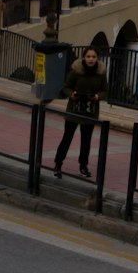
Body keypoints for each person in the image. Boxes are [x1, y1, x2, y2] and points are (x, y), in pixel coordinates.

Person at [53, 46, 105, 180]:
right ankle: (58, 164)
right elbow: (66, 87)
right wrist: (72, 94)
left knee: (86, 141)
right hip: (74, 110)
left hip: (90, 111)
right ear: (84, 58)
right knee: (67, 137)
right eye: (88, 57)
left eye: (93, 57)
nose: (91, 59)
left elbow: (106, 90)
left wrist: (98, 96)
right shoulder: (76, 71)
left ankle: (83, 165)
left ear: (97, 58)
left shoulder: (101, 73)